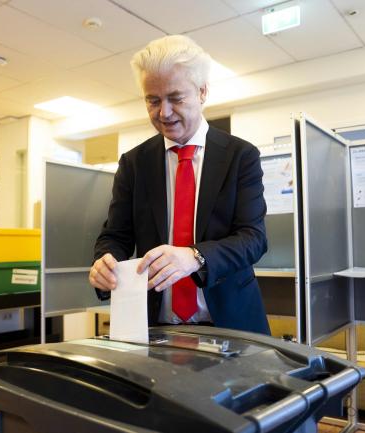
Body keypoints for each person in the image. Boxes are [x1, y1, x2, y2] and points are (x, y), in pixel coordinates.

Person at [89, 35, 270, 335]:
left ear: (202, 92)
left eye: (175, 98)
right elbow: (115, 236)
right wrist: (104, 262)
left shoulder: (241, 156)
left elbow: (253, 238)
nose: (164, 113)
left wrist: (195, 256)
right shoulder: (134, 164)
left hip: (230, 325)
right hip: (155, 329)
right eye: (153, 100)